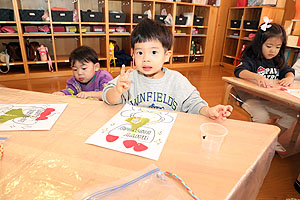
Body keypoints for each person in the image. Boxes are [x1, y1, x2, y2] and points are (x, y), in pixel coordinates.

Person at [102, 18, 232, 120]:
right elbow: (109, 99)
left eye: (153, 52)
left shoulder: (177, 80)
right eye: (140, 53)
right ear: (133, 54)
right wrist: (117, 91)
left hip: (167, 132)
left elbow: (193, 103)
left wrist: (208, 111)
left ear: (166, 56)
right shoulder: (128, 78)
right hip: (137, 130)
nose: (146, 58)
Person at [234, 17, 297, 149]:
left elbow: (289, 71)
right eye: (269, 46)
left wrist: (289, 78)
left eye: (278, 47)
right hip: (251, 99)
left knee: (292, 115)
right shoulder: (252, 59)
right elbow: (239, 71)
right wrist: (256, 77)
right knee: (262, 117)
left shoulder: (277, 61)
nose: (273, 51)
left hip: (271, 100)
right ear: (259, 44)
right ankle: (256, 143)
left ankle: (271, 140)